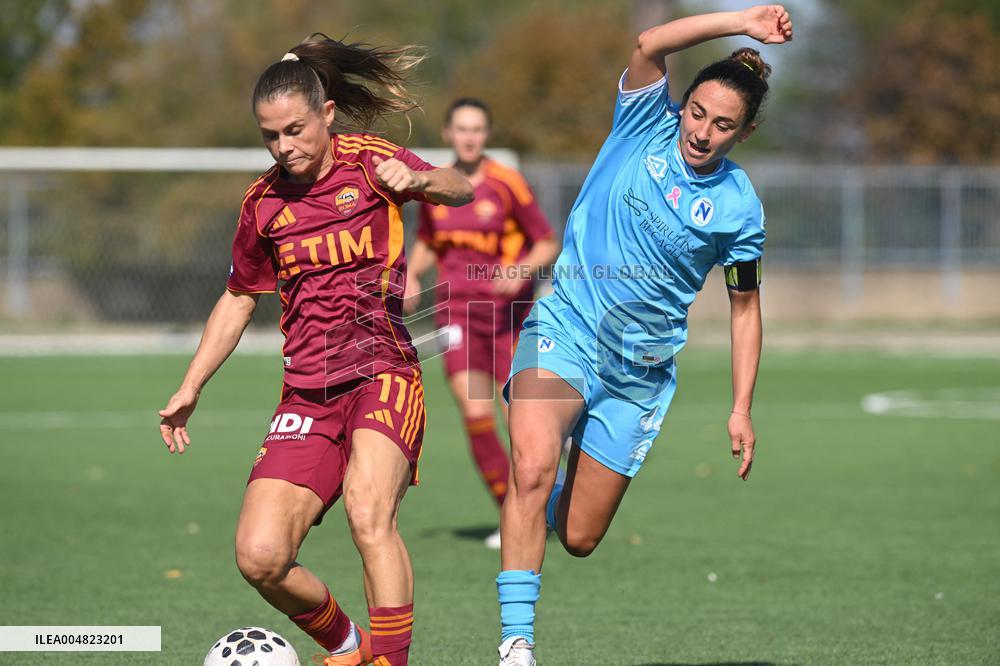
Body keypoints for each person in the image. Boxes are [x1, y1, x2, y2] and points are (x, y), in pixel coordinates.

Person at [158, 34, 473, 666]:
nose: (284, 147)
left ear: (326, 115)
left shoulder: (369, 162)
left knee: (367, 511)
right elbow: (240, 297)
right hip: (307, 391)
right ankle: (351, 645)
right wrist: (191, 384)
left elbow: (459, 186)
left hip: (383, 371)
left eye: (295, 130)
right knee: (261, 556)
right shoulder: (262, 204)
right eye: (270, 136)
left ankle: (390, 661)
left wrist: (416, 178)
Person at [493, 6, 793, 665]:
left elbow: (745, 309)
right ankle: (516, 644)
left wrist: (741, 406)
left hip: (639, 374)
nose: (703, 133)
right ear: (681, 105)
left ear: (743, 134)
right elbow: (650, 42)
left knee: (578, 536)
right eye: (698, 113)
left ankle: (532, 511)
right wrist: (742, 20)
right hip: (566, 328)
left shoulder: (739, 208)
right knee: (533, 465)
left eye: (723, 125)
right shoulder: (641, 125)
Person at [406, 98, 558, 549]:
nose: (469, 137)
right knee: (475, 414)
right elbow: (429, 243)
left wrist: (521, 269)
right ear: (449, 133)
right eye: (461, 129)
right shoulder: (437, 185)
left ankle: (549, 494)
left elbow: (547, 243)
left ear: (485, 135)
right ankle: (510, 513)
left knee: (522, 423)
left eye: (477, 129)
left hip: (510, 318)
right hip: (458, 317)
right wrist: (412, 272)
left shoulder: (506, 183)